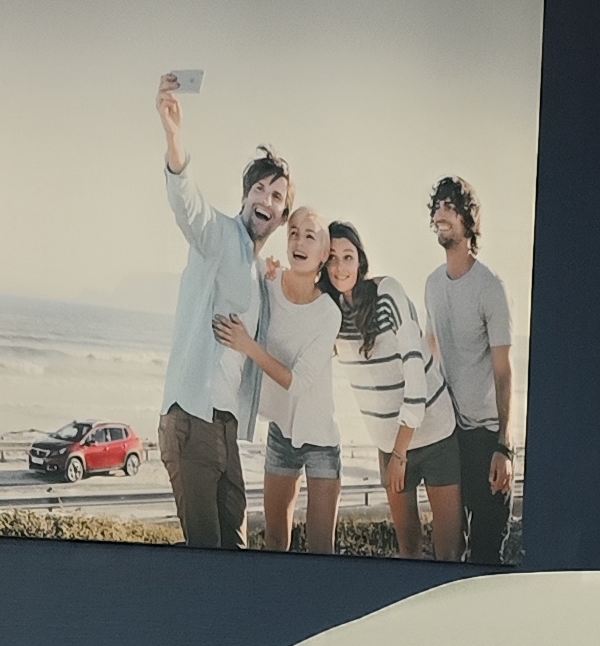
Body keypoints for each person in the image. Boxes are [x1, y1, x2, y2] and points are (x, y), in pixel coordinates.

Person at [154, 77, 289, 553]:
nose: (266, 200)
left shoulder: (259, 271)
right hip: (191, 419)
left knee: (235, 555)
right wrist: (174, 138)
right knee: (208, 560)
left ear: (282, 215)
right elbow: (187, 205)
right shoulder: (218, 237)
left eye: (277, 196)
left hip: (225, 427)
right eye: (260, 189)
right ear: (246, 196)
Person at [322, 219, 456, 559]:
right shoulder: (327, 312)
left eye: (348, 256)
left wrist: (399, 454)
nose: (340, 267)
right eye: (332, 258)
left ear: (360, 260)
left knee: (449, 552)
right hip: (388, 444)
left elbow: (416, 378)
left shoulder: (387, 294)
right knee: (408, 549)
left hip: (435, 434)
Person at [221, 201, 347, 555]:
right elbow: (242, 266)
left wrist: (247, 345)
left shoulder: (329, 313)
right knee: (275, 542)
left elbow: (297, 382)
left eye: (310, 236)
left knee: (321, 550)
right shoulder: (269, 280)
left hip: (321, 439)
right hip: (281, 433)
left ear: (324, 254)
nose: (299, 242)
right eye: (293, 233)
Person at [421, 174, 515, 568]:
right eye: (437, 206)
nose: (441, 213)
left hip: (487, 439)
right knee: (446, 552)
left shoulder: (490, 286)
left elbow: (504, 372)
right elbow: (429, 354)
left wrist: (504, 447)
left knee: (487, 557)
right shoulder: (432, 285)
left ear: (467, 219)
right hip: (448, 438)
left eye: (451, 206)